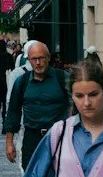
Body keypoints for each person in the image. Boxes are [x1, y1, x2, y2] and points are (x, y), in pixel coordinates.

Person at [4, 39, 68, 170]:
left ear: (48, 58)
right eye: (34, 59)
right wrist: (9, 143)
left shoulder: (63, 78)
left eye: (41, 58)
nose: (38, 63)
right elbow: (13, 112)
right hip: (32, 138)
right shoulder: (22, 82)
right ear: (29, 60)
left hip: (59, 137)